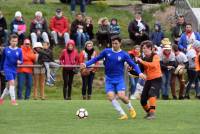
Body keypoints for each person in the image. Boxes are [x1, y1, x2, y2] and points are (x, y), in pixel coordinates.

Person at [80, 35, 146, 120]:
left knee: (121, 96)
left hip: (119, 79)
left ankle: (130, 108)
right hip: (109, 79)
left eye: (116, 43)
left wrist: (139, 73)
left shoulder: (124, 54)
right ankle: (123, 114)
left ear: (120, 43)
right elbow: (95, 59)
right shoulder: (106, 51)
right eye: (113, 43)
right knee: (111, 97)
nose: (114, 45)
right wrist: (85, 64)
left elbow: (133, 64)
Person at [135, 40, 162, 120]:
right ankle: (149, 113)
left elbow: (153, 65)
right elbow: (140, 70)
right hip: (148, 80)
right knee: (143, 100)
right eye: (143, 48)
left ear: (150, 48)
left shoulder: (155, 56)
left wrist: (142, 61)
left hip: (157, 79)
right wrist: (133, 69)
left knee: (151, 93)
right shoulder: (143, 58)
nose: (144, 50)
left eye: (145, 48)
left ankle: (152, 114)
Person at [0, 34, 23, 105]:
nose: (14, 42)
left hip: (14, 69)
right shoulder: (6, 49)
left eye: (16, 41)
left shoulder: (19, 50)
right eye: (13, 41)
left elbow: (21, 60)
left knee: (8, 86)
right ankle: (13, 101)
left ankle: (1, 99)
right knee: (12, 83)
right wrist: (1, 69)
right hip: (7, 68)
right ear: (10, 41)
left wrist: (20, 62)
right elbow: (2, 60)